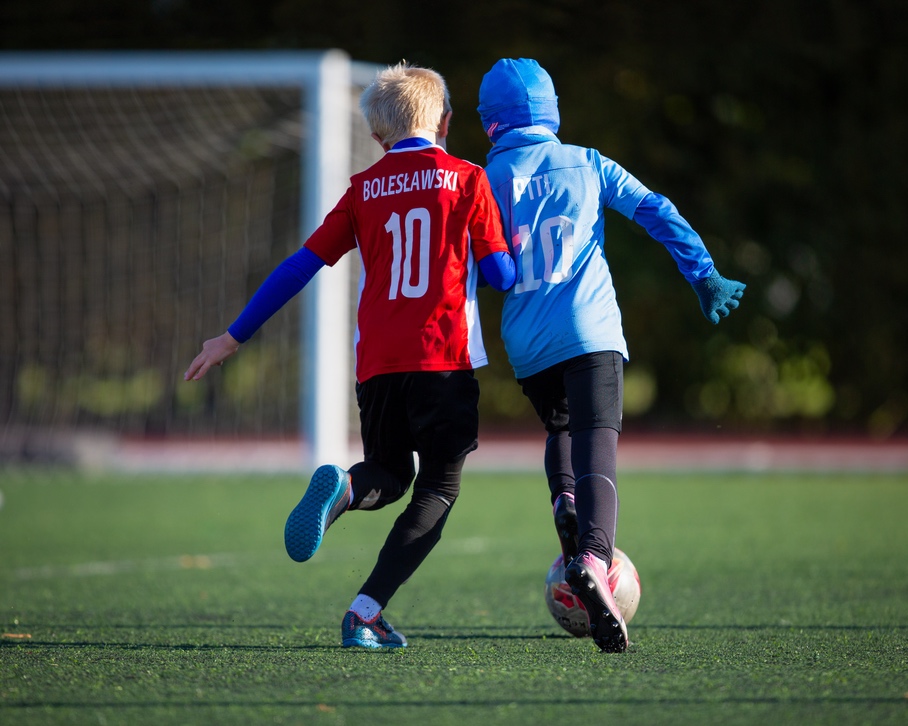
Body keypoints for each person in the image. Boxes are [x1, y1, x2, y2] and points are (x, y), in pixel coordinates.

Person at [186, 62, 514, 649]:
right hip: (443, 359)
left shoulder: (364, 188)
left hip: (378, 365)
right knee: (438, 490)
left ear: (376, 135)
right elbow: (501, 274)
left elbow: (300, 266)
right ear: (444, 121)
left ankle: (342, 487)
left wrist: (232, 337)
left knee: (388, 473)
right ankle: (365, 611)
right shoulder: (468, 178)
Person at [477, 58, 745, 653]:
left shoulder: (481, 180)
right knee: (597, 438)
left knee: (560, 429)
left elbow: (468, 266)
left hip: (526, 340)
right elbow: (656, 210)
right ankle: (595, 559)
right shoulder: (588, 162)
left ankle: (565, 501)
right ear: (552, 111)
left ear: (490, 123)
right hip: (588, 328)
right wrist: (704, 274)